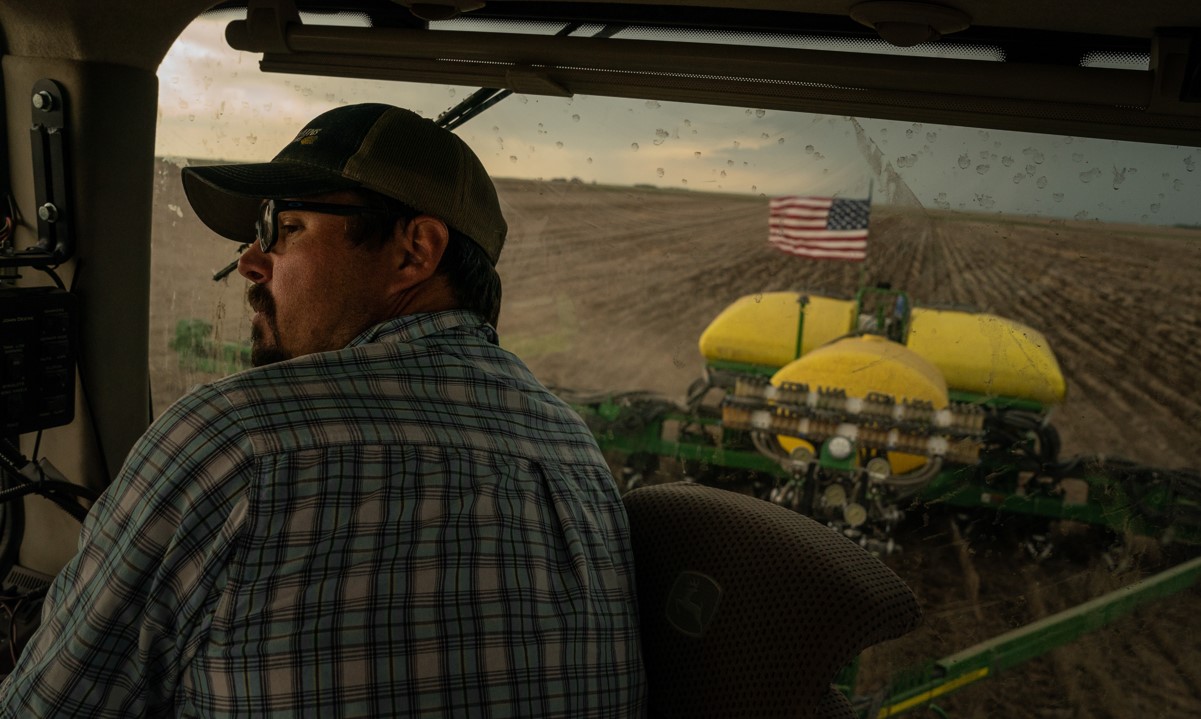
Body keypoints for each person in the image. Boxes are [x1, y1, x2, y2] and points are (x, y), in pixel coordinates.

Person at [0, 104, 647, 717]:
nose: (249, 263)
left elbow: (50, 706)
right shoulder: (574, 449)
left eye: (285, 230)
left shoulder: (234, 441)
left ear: (414, 251)